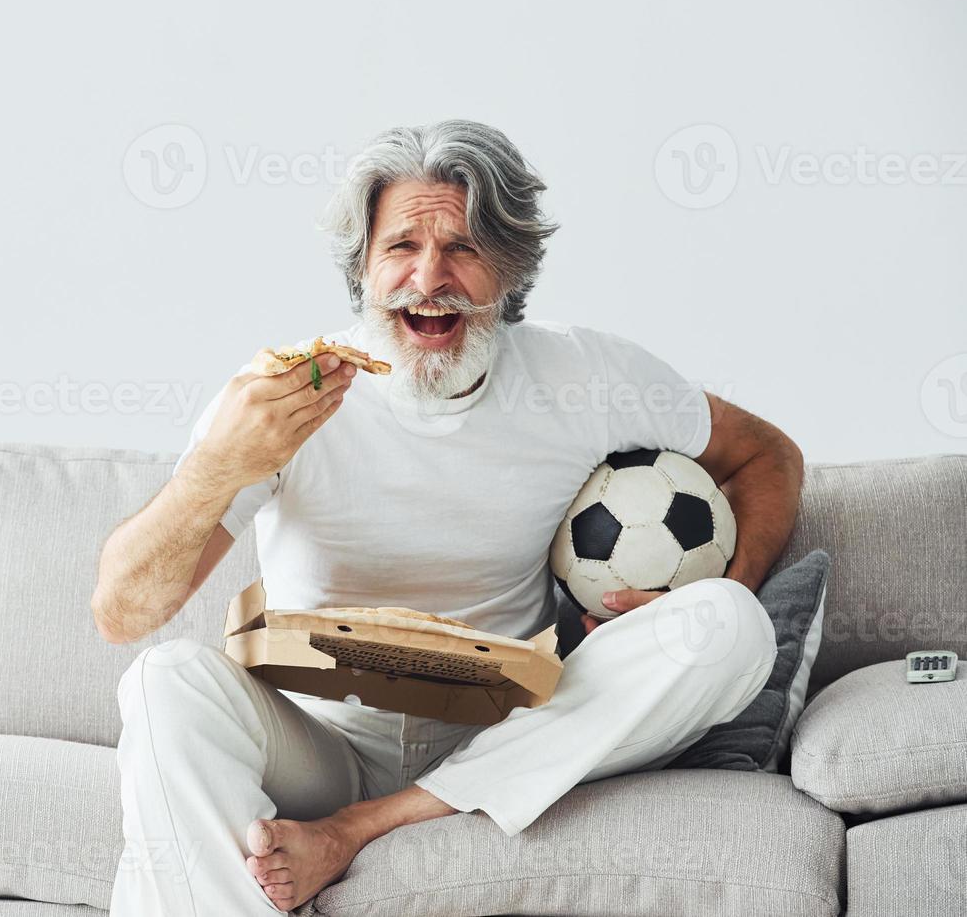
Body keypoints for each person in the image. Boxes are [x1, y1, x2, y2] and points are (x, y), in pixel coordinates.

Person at [92, 120, 804, 915]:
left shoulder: (586, 375)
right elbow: (124, 613)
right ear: (362, 268)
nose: (429, 277)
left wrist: (715, 587)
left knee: (730, 624)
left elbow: (767, 455)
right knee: (164, 680)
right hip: (320, 743)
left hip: (509, 732)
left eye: (464, 249)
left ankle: (358, 830)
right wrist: (217, 466)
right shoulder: (286, 395)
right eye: (401, 246)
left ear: (511, 269)